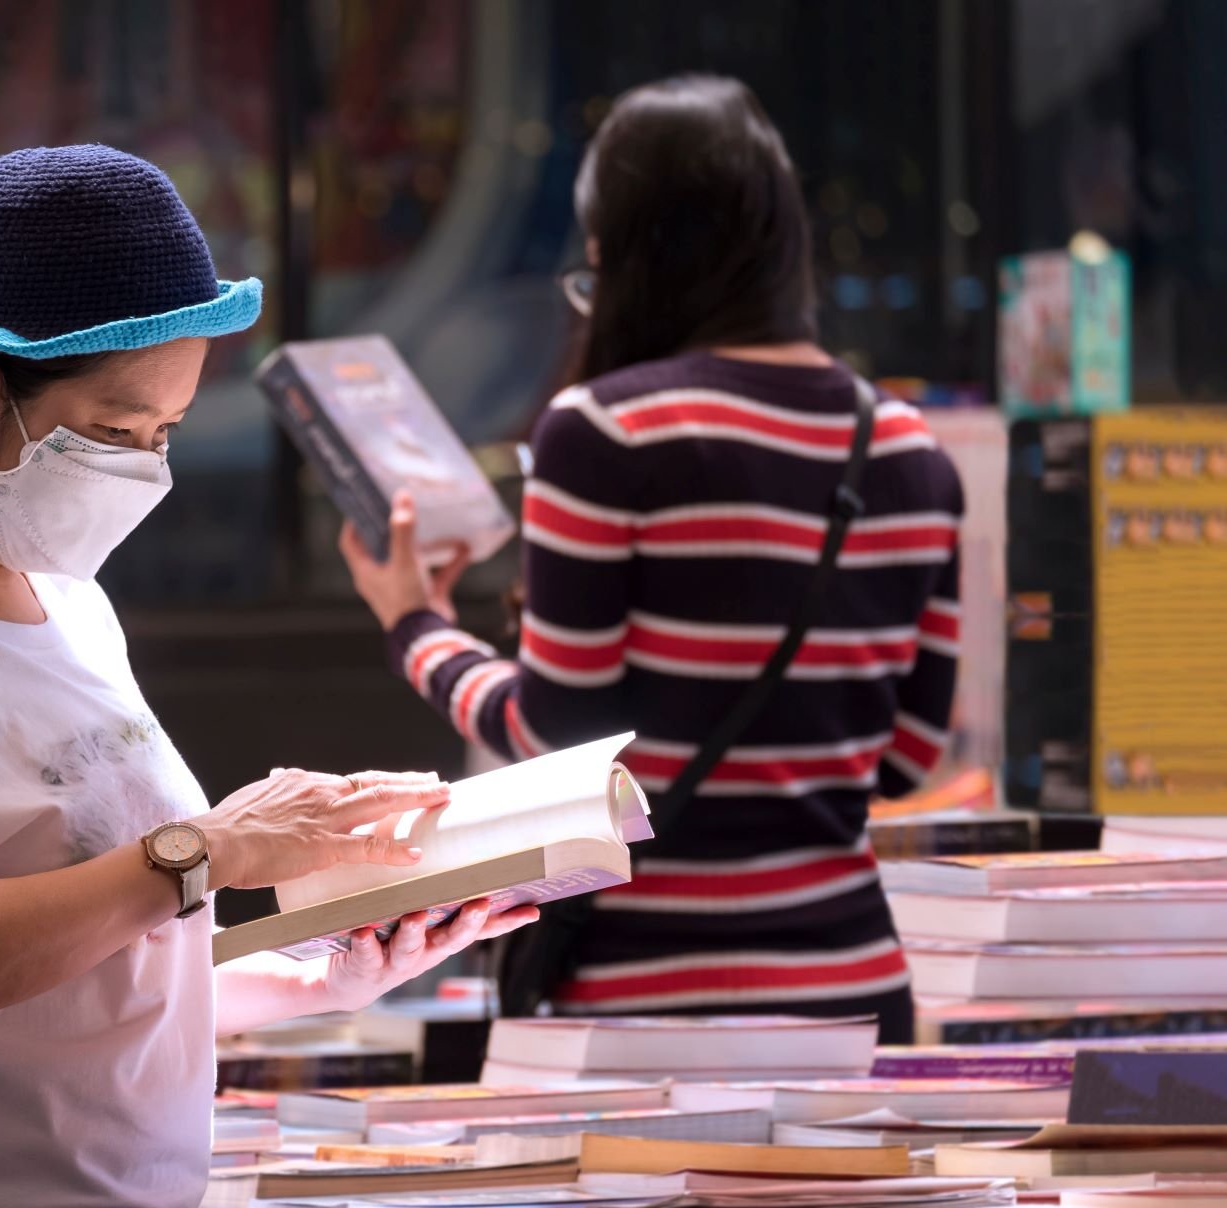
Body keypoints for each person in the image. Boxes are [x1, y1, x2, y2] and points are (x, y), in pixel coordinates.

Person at [0, 145, 535, 1208]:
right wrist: (211, 847)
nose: (144, 467)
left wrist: (320, 978)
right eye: (110, 429)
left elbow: (90, 970)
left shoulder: (67, 600)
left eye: (165, 433)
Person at [340, 76, 962, 1042]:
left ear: (628, 257)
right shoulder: (907, 448)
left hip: (644, 1002)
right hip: (853, 988)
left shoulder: (605, 434)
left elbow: (555, 734)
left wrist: (414, 626)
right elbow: (909, 759)